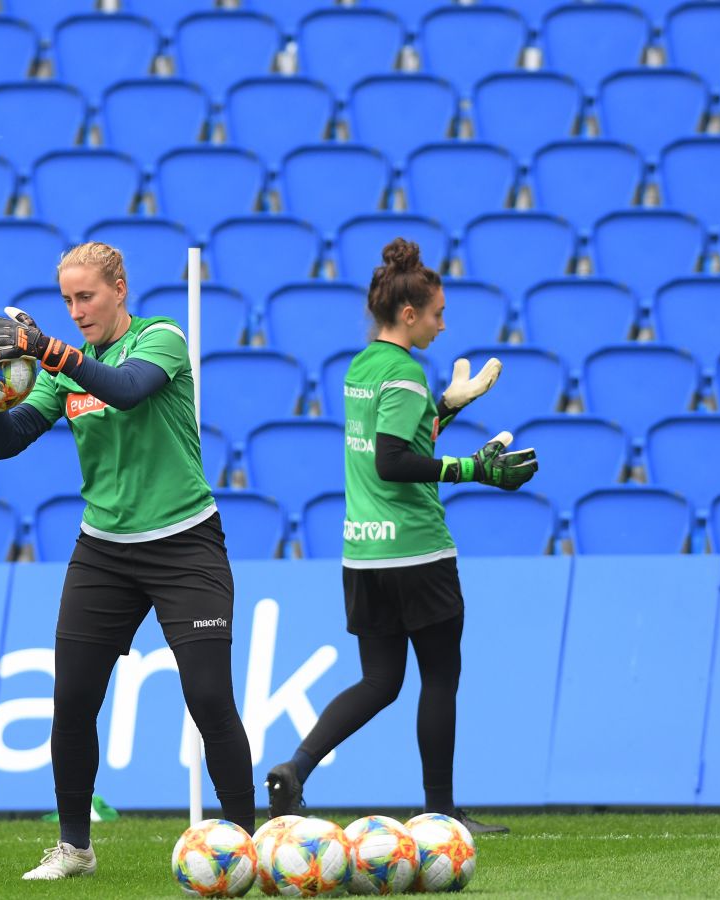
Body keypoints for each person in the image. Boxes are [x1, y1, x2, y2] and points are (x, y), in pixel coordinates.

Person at [0, 242, 255, 881]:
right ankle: (75, 848)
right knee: (74, 700)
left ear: (119, 288)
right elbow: (7, 443)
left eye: (86, 296)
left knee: (207, 696)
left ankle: (245, 843)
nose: (77, 309)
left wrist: (44, 346)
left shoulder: (162, 338)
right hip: (104, 552)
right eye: (67, 300)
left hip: (184, 543)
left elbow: (128, 391)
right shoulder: (64, 370)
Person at [263, 238, 538, 836]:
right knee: (439, 678)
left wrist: (445, 406)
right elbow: (394, 461)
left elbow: (397, 440)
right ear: (409, 314)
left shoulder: (363, 366)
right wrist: (474, 469)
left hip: (363, 551)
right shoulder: (405, 371)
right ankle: (441, 814)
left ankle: (296, 768)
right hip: (416, 549)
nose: (443, 324)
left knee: (380, 681)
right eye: (437, 313)